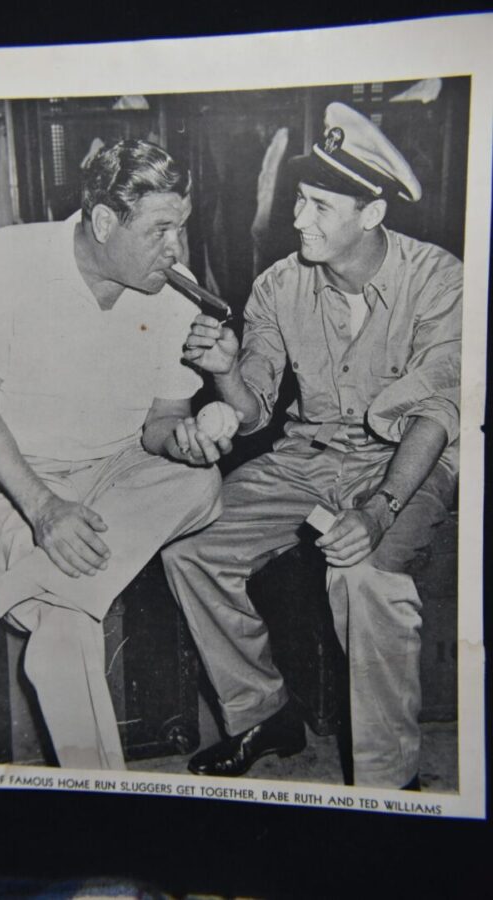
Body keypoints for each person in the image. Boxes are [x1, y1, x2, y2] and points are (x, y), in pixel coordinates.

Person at [162, 103, 461, 789]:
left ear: (373, 214)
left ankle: (389, 785)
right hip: (306, 456)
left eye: (321, 206)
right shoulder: (278, 285)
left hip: (404, 463)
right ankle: (262, 714)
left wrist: (380, 511)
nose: (299, 220)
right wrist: (224, 374)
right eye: (299, 200)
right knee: (192, 549)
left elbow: (438, 414)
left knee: (363, 578)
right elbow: (255, 407)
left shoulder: (441, 281)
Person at [0, 139, 234, 770]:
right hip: (8, 479)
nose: (176, 248)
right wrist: (44, 508)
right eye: (159, 230)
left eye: (181, 226)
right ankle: (109, 815)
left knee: (202, 485)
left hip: (113, 475)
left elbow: (162, 421)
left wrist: (181, 442)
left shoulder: (175, 296)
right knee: (66, 629)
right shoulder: (12, 256)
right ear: (104, 222)